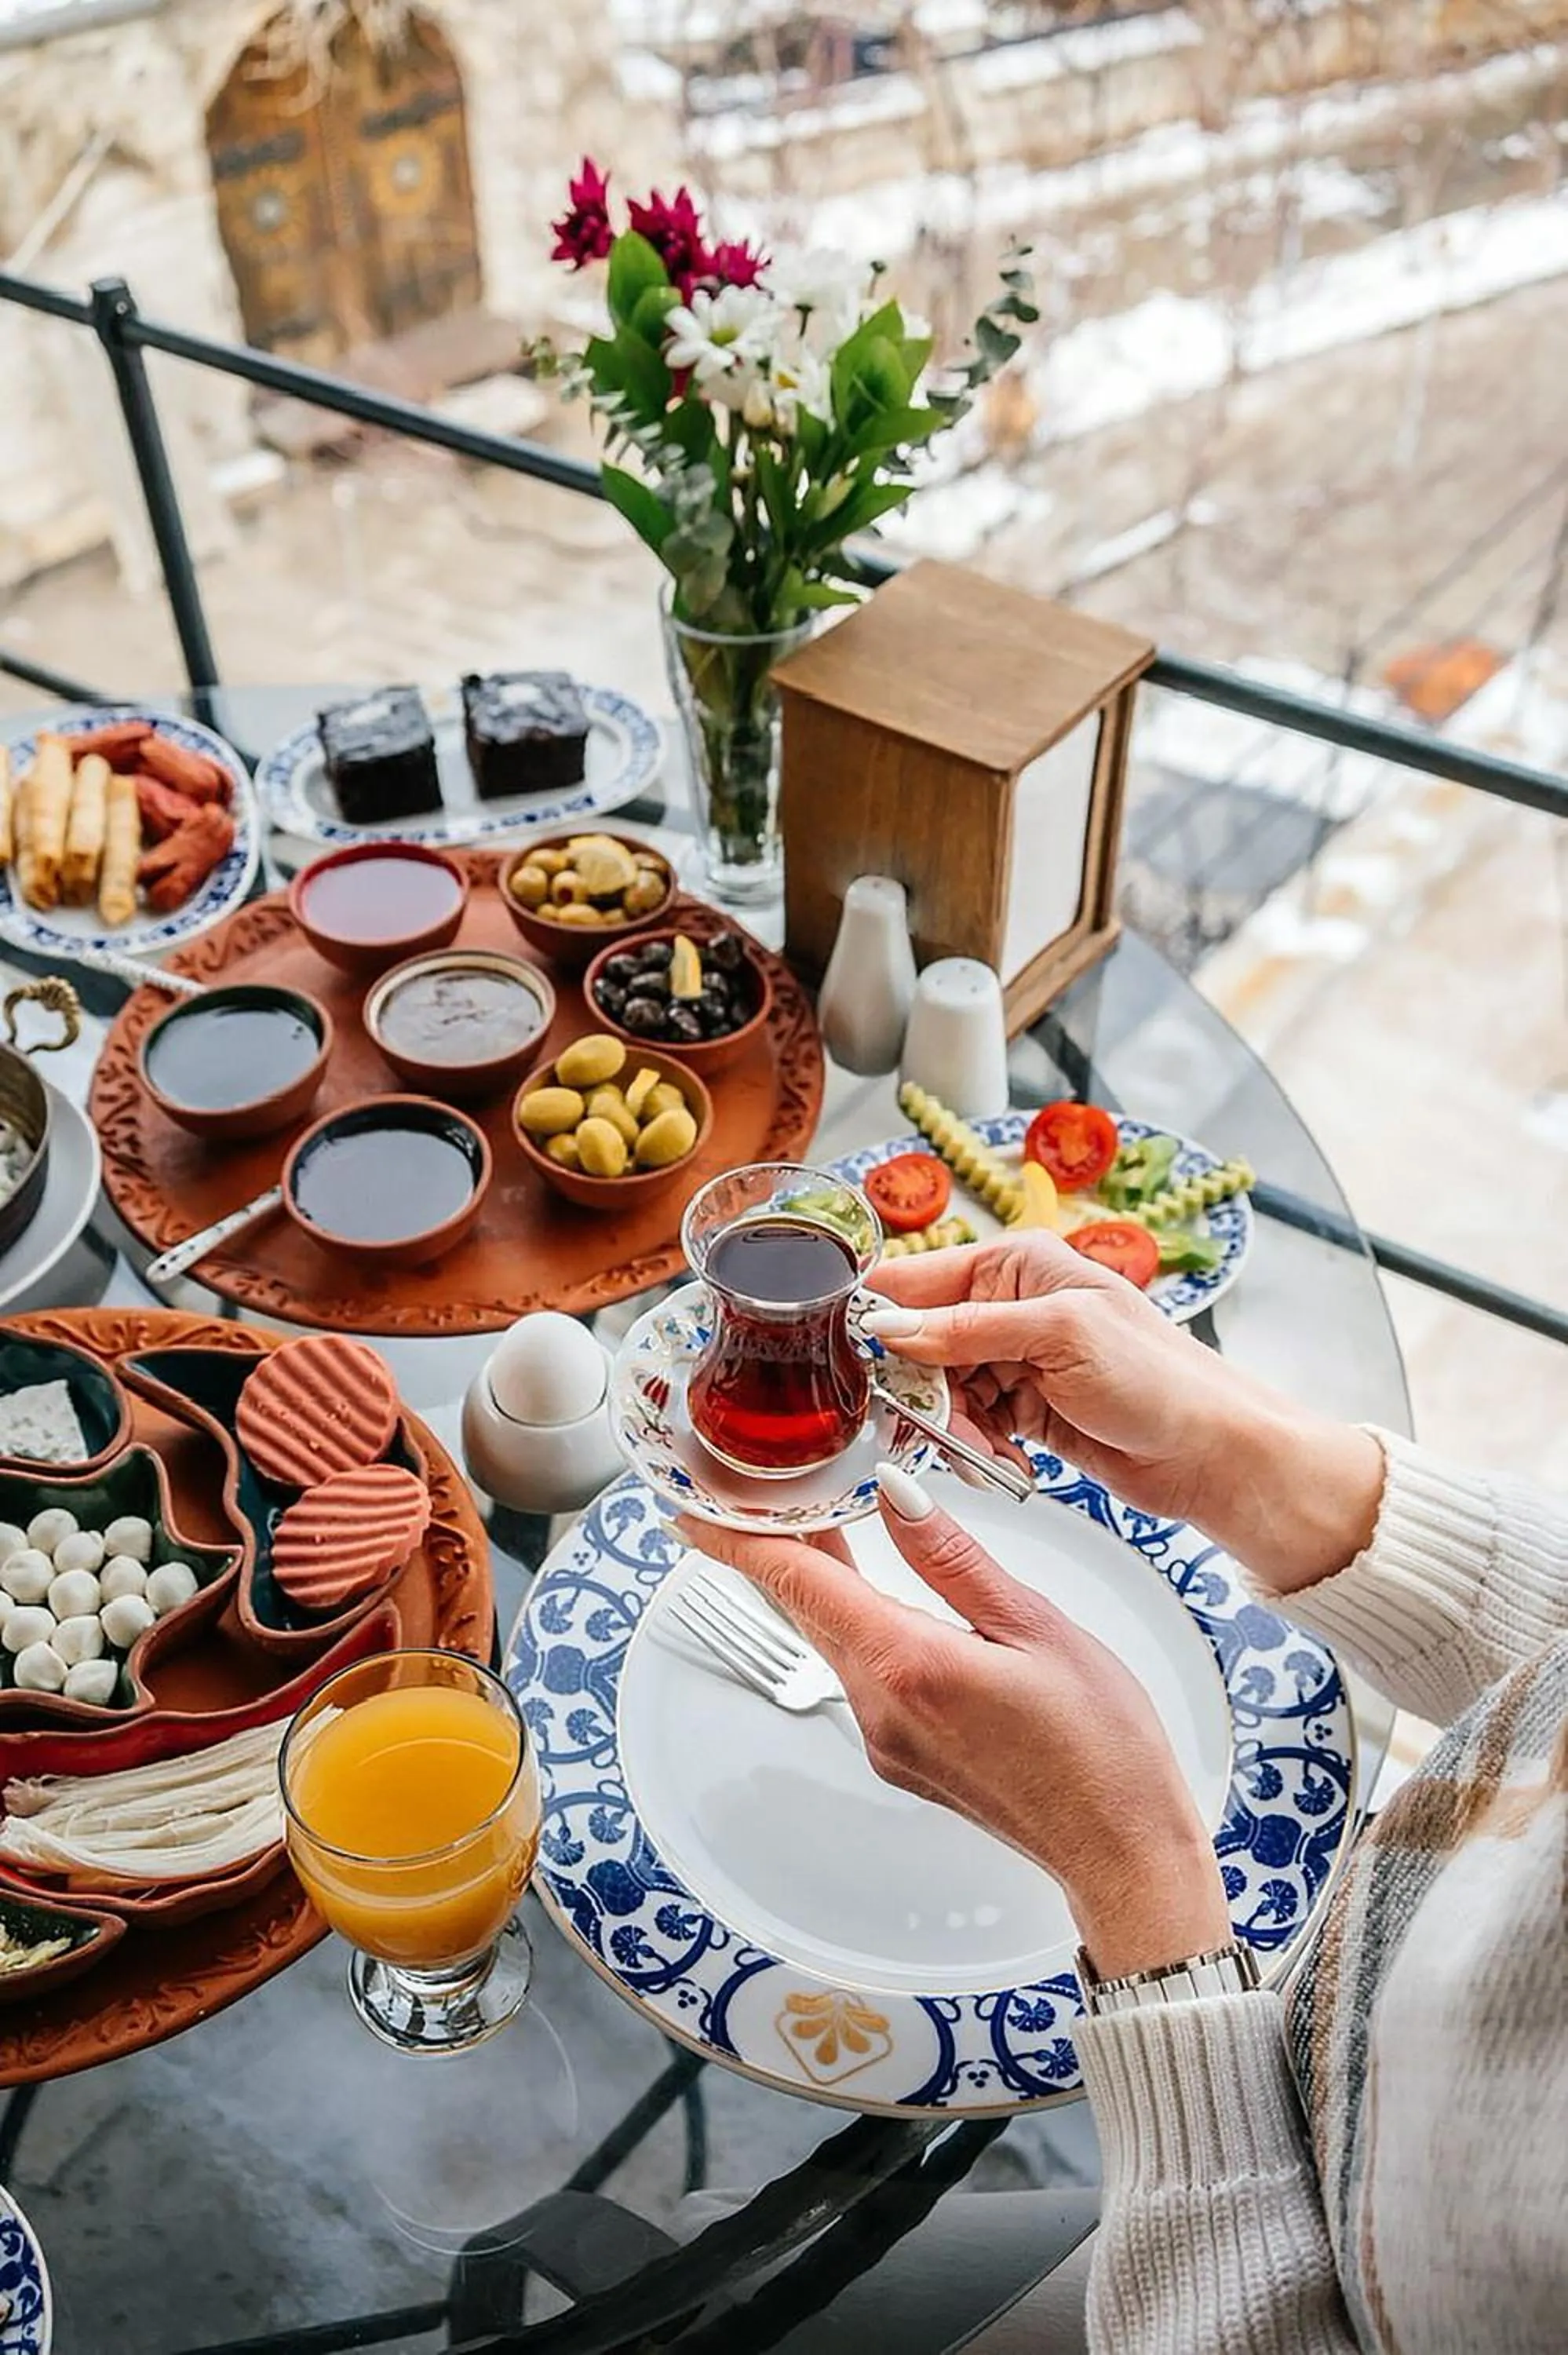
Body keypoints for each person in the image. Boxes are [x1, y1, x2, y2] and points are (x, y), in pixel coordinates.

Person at [680, 1232, 1568, 2355]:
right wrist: (1246, 1461)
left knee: (739, 2277)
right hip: (1324, 2036)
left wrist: (1131, 1871)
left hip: (1257, 2258)